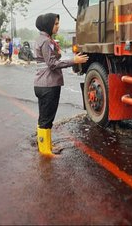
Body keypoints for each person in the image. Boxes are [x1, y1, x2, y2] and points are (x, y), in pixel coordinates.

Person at [34, 13, 88, 156]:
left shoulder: (44, 39)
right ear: (48, 24)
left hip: (42, 84)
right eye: (56, 23)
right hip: (48, 85)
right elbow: (52, 64)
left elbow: (49, 59)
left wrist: (57, 52)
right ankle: (46, 152)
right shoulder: (46, 41)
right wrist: (73, 61)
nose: (58, 26)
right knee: (46, 119)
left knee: (44, 117)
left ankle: (46, 147)